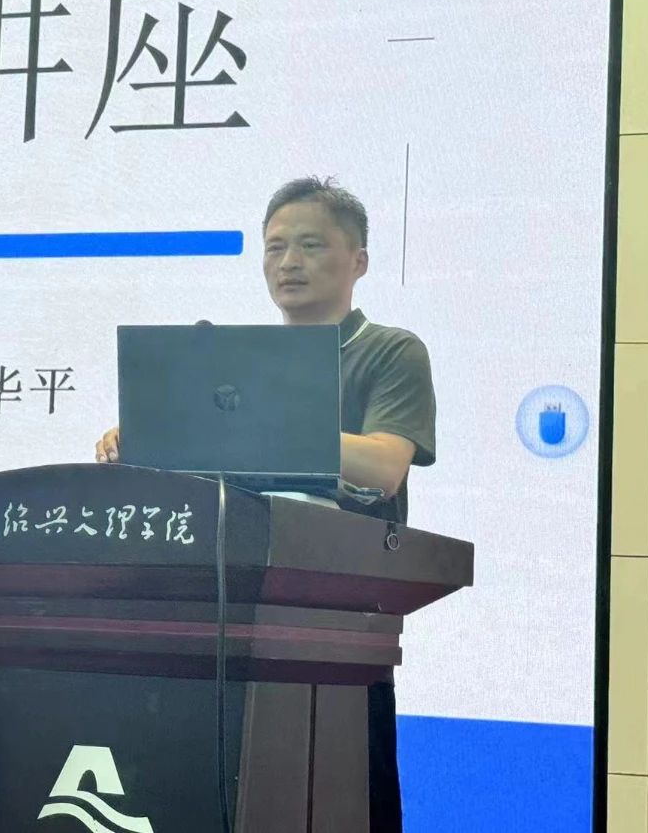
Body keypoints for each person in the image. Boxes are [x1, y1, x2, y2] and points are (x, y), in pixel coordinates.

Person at [94, 175, 436, 831]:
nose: (289, 262)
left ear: (359, 261)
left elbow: (385, 466)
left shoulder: (388, 351)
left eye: (311, 244)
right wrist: (148, 436)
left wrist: (257, 423)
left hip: (334, 618)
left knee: (343, 796)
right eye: (276, 247)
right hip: (222, 608)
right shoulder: (233, 368)